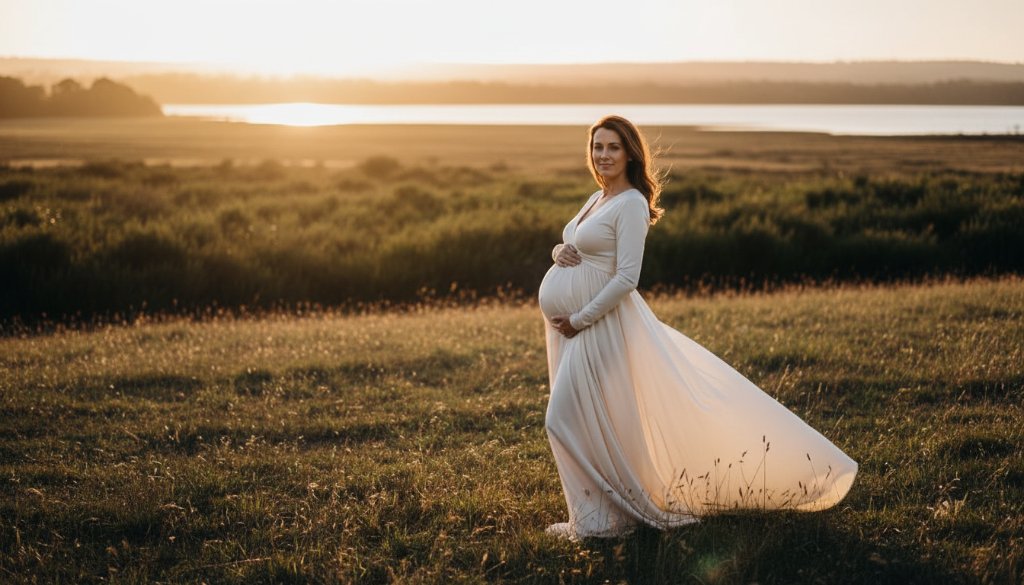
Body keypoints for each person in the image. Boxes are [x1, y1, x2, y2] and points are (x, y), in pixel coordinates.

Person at [538, 115, 857, 540]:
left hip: (600, 326)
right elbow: (580, 243)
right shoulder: (598, 197)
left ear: (631, 152)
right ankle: (600, 518)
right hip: (577, 329)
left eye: (613, 147)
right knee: (593, 420)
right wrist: (561, 249)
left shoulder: (630, 202)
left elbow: (627, 278)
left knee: (561, 418)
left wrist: (579, 319)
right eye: (597, 146)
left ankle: (607, 516)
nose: (603, 155)